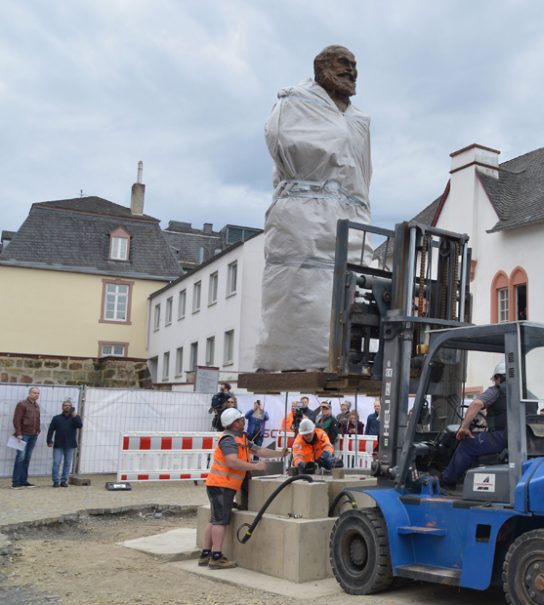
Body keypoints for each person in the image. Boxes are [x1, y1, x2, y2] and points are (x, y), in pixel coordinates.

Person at [256, 45, 374, 371]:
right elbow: (285, 140)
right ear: (321, 67)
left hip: (349, 214)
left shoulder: (358, 120)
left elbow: (359, 170)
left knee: (355, 286)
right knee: (305, 285)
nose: (351, 70)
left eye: (354, 64)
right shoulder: (297, 101)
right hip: (305, 214)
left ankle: (345, 354)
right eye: (343, 63)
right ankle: (301, 357)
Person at [201, 408, 285, 569]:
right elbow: (232, 461)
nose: (243, 421)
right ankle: (216, 557)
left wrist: (280, 454)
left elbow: (259, 450)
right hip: (221, 485)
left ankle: (206, 554)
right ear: (233, 424)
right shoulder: (229, 439)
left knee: (214, 519)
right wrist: (255, 466)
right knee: (220, 521)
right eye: (240, 420)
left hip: (221, 485)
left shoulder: (242, 438)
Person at [440, 362, 508, 488]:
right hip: (518, 440)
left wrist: (464, 427)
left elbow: (476, 404)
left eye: (495, 380)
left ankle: (447, 480)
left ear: (499, 378)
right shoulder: (525, 393)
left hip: (502, 437)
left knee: (467, 444)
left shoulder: (497, 391)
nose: (495, 382)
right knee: (478, 440)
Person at [46, 398, 82, 488]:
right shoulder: (56, 418)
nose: (67, 407)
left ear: (71, 407)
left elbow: (79, 425)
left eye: (69, 406)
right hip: (58, 444)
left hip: (70, 444)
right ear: (62, 407)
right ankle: (55, 481)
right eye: (65, 405)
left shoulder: (74, 418)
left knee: (67, 463)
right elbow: (51, 430)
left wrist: (75, 416)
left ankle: (64, 480)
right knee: (56, 462)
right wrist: (49, 441)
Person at [12, 386, 42, 489]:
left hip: (33, 435)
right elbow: (17, 419)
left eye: (38, 393)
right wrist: (18, 433)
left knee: (27, 458)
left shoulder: (36, 406)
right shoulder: (22, 404)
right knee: (20, 457)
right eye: (34, 393)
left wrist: (38, 430)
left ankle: (23, 481)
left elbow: (37, 419)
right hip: (23, 435)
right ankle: (15, 482)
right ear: (29, 393)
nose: (36, 395)